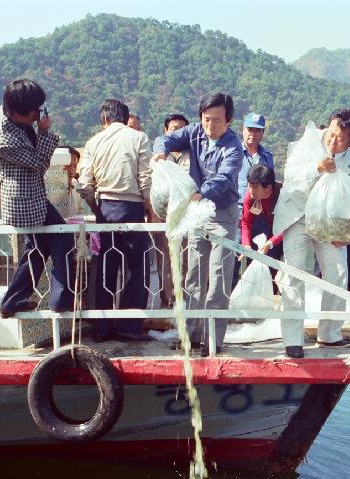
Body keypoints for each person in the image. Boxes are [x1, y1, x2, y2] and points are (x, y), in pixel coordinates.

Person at [153, 92, 244, 356]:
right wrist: (161, 152)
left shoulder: (233, 147)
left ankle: (212, 340)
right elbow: (166, 139)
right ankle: (189, 336)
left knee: (218, 279)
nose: (210, 126)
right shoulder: (194, 133)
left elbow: (226, 177)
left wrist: (200, 192)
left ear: (229, 120)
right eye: (206, 119)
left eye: (217, 121)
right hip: (196, 213)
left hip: (222, 215)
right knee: (194, 276)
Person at [273, 109, 350, 358]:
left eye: (341, 139)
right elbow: (291, 177)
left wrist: (345, 233)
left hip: (329, 225)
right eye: (332, 134)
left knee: (338, 273)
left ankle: (330, 333)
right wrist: (317, 168)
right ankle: (292, 340)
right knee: (294, 274)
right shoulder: (309, 141)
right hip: (297, 218)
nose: (333, 141)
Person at [0, 78, 74, 318]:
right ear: (19, 113)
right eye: (34, 112)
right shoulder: (5, 141)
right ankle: (58, 299)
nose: (38, 115)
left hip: (32, 195)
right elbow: (38, 164)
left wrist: (37, 124)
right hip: (22, 201)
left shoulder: (8, 110)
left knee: (38, 248)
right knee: (57, 240)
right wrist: (45, 132)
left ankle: (14, 301)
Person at [79, 98, 152, 341]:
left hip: (105, 210)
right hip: (132, 210)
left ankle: (101, 328)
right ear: (124, 117)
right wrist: (150, 213)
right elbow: (145, 181)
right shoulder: (138, 138)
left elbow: (85, 185)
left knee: (103, 269)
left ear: (105, 119)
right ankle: (129, 327)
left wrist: (98, 211)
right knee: (138, 268)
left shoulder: (93, 142)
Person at [150, 113, 190, 307]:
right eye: (175, 129)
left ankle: (187, 300)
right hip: (164, 217)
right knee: (165, 260)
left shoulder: (193, 154)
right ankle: (167, 301)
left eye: (183, 128)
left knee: (187, 259)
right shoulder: (160, 155)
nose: (179, 132)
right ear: (167, 131)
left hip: (188, 217)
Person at [240, 164, 283, 290]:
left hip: (281, 233)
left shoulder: (282, 196)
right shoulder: (250, 198)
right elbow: (246, 222)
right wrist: (246, 245)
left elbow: (289, 226)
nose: (251, 190)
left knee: (274, 267)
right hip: (261, 232)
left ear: (268, 188)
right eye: (250, 186)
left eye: (255, 187)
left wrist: (271, 243)